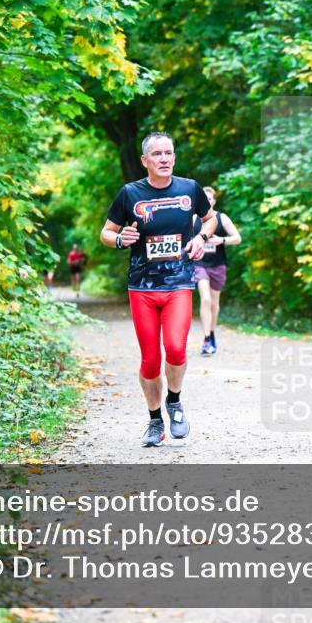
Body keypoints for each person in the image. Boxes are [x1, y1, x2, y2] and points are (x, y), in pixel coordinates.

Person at [100, 132, 217, 446]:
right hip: (142, 287)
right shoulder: (130, 194)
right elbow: (106, 233)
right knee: (150, 360)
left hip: (178, 283)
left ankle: (174, 401)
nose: (164, 159)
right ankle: (155, 422)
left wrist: (200, 238)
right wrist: (120, 239)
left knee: (176, 349)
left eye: (169, 153)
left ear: (174, 157)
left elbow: (209, 220)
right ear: (145, 161)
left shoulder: (189, 188)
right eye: (157, 154)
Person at [192, 186, 242, 355]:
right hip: (199, 264)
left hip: (218, 265)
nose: (207, 201)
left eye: (210, 198)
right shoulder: (193, 219)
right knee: (205, 299)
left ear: (214, 201)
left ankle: (212, 333)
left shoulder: (222, 218)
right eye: (204, 198)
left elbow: (237, 238)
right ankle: (206, 339)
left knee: (214, 304)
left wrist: (221, 240)